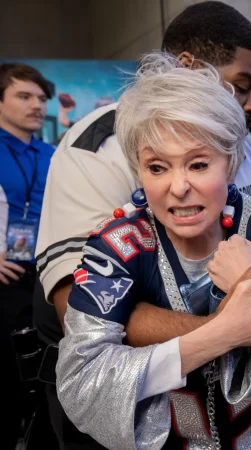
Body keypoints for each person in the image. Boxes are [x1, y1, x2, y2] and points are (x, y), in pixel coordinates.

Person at [34, 2, 251, 448]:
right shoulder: (98, 143)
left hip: (241, 409)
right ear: (188, 67)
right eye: (243, 86)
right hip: (129, 410)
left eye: (201, 164)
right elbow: (75, 302)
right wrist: (227, 329)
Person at [0, 62, 58, 449]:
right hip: (4, 277)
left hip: (47, 273)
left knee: (45, 372)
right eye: (24, 96)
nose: (36, 105)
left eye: (41, 98)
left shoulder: (56, 152)